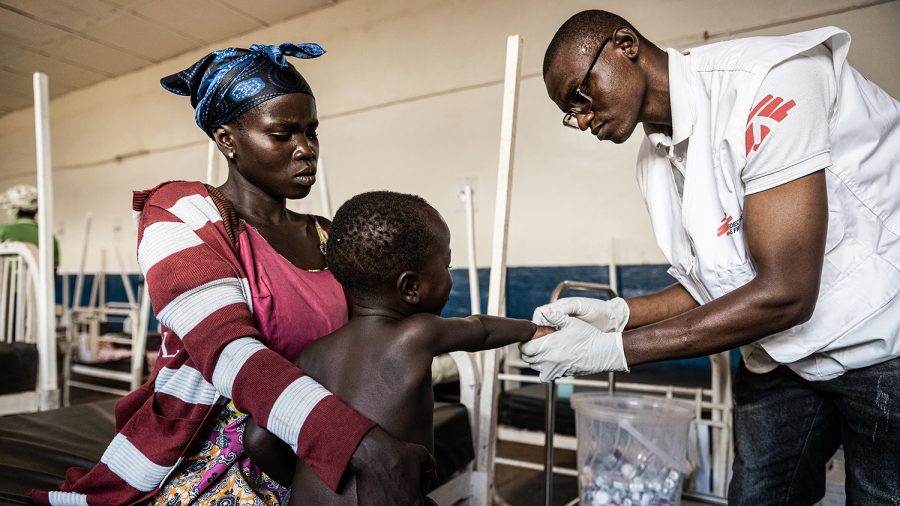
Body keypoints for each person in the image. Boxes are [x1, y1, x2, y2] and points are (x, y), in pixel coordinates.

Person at [33, 43, 433, 506]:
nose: (306, 150)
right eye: (283, 134)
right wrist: (358, 444)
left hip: (316, 440)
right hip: (220, 452)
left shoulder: (329, 236)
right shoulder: (181, 213)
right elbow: (228, 353)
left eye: (312, 132)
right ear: (227, 140)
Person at [526, 10, 900, 504]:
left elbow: (786, 292)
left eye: (581, 94)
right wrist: (616, 316)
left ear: (625, 44)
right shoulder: (653, 163)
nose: (582, 118)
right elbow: (713, 284)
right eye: (570, 112)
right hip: (780, 355)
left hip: (881, 344)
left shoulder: (768, 84)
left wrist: (618, 352)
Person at [242, 190, 554, 504]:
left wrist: (302, 480)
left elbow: (257, 440)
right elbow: (481, 330)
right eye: (447, 266)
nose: (450, 277)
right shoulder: (416, 334)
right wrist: (533, 329)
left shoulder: (309, 355)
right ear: (411, 287)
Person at [0, 184, 59, 269]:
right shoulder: (50, 238)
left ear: (14, 209)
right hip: (39, 283)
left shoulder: (3, 231)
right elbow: (53, 271)